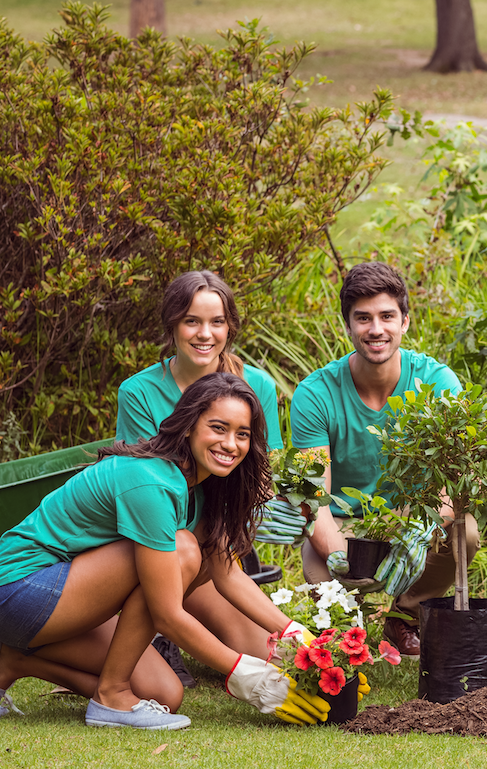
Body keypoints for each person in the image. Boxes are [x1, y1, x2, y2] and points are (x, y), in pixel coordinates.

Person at [0, 374, 327, 729]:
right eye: (218, 428)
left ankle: (13, 660)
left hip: (68, 590)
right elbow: (168, 614)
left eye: (242, 434)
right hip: (17, 590)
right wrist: (246, 674)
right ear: (189, 425)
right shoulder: (152, 481)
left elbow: (228, 573)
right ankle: (110, 697)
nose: (230, 444)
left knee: (163, 694)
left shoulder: (204, 483)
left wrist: (298, 634)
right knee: (184, 550)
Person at [290, 261, 475, 658]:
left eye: (387, 316)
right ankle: (347, 625)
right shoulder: (315, 393)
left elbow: (448, 485)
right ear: (348, 325)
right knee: (317, 559)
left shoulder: (437, 382)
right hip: (346, 521)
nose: (376, 329)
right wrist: (339, 554)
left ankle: (404, 619)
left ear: (405, 321)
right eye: (363, 318)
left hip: (412, 517)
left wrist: (419, 534)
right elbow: (311, 496)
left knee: (465, 534)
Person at [116, 270, 284, 685]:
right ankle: (156, 627)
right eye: (192, 321)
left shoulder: (256, 384)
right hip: (165, 540)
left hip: (218, 543)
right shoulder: (139, 392)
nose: (204, 334)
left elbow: (262, 470)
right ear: (172, 324)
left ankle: (178, 620)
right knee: (185, 549)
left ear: (230, 327)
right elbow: (147, 483)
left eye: (217, 322)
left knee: (271, 656)